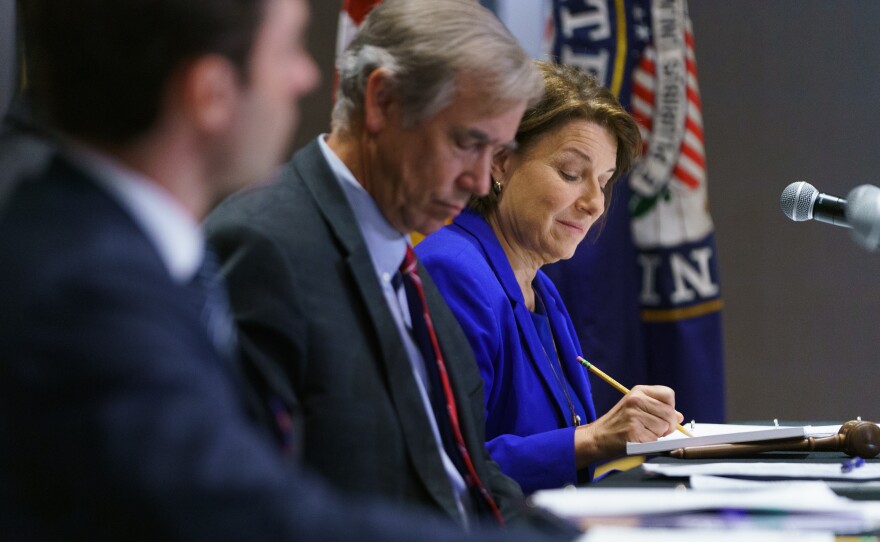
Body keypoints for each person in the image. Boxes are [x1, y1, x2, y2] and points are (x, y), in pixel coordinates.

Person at [0, 1, 564, 540]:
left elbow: (468, 474)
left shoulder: (104, 246)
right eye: (289, 47)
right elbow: (239, 513)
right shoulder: (93, 285)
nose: (305, 76)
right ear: (210, 92)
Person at [204, 0, 571, 534]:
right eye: (467, 143)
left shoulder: (405, 260)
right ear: (383, 101)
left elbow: (467, 474)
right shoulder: (266, 247)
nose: (477, 181)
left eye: (494, 151)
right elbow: (257, 502)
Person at [416, 61, 683, 494]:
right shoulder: (451, 272)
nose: (595, 203)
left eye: (604, 180)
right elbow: (450, 467)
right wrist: (596, 437)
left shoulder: (541, 289)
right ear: (500, 161)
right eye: (571, 174)